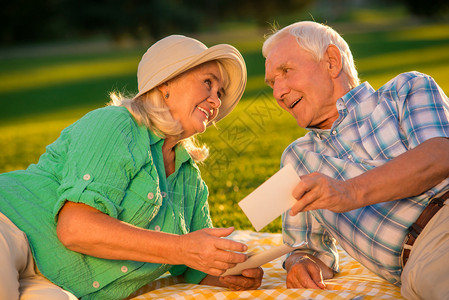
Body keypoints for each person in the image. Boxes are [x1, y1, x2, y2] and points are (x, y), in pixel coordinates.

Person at [0, 35, 263, 300]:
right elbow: (75, 228)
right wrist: (182, 248)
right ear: (166, 83)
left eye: (220, 93)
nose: (216, 101)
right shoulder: (118, 126)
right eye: (208, 83)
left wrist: (234, 271)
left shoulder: (189, 178)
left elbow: (194, 265)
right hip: (10, 227)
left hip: (54, 282)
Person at [263, 21, 449, 300]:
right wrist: (300, 263)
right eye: (272, 83)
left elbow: (440, 155)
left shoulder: (406, 89)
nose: (278, 92)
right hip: (419, 264)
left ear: (331, 61)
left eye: (286, 71)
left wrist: (347, 191)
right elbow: (307, 249)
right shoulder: (297, 159)